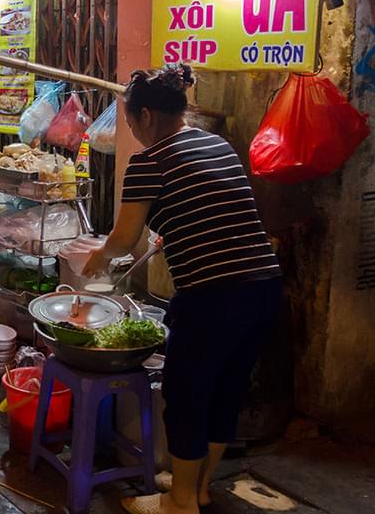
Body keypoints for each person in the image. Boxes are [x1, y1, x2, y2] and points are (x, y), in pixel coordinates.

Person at [82, 65, 282, 514]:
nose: (131, 130)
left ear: (147, 115)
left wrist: (98, 259)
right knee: (225, 390)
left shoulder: (148, 162)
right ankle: (200, 487)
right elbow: (216, 208)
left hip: (214, 295)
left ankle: (179, 501)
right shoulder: (218, 145)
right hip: (264, 285)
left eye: (131, 121)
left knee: (187, 393)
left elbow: (124, 239)